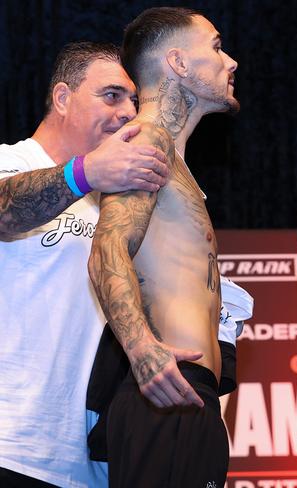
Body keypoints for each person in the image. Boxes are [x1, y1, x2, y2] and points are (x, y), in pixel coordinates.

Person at [0, 41, 170, 488]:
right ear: (62, 98)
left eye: (135, 100)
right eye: (112, 95)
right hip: (12, 442)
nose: (129, 113)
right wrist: (86, 172)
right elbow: (4, 210)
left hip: (94, 462)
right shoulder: (11, 162)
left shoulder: (121, 205)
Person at [87, 7, 238, 487]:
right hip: (167, 397)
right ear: (177, 62)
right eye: (215, 46)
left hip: (186, 401)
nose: (230, 61)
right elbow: (107, 247)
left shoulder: (175, 160)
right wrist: (140, 349)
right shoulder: (149, 138)